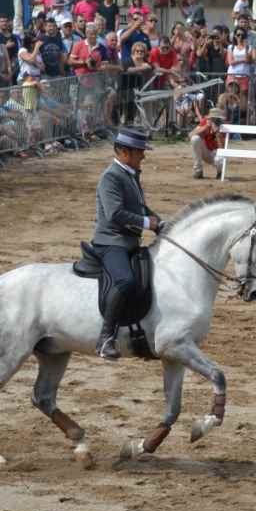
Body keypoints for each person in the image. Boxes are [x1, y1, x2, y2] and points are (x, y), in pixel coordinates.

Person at [91, 126, 161, 361]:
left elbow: (140, 208)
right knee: (125, 281)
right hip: (111, 242)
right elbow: (115, 214)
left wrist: (160, 223)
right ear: (123, 152)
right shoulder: (111, 177)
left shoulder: (131, 174)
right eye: (139, 151)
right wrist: (147, 223)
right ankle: (105, 338)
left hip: (129, 241)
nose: (143, 155)